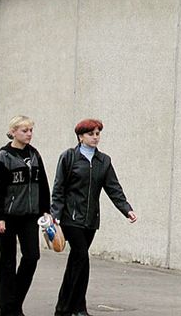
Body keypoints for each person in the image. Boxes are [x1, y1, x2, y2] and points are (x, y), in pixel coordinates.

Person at [51, 118, 137, 316]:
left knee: (76, 262)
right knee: (81, 258)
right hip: (71, 218)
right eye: (91, 134)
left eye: (98, 134)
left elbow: (113, 188)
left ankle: (67, 307)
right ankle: (74, 308)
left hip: (90, 220)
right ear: (80, 137)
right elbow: (59, 188)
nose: (95, 137)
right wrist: (55, 215)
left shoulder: (103, 161)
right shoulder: (69, 157)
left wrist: (126, 209)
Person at [0, 115, 51, 316]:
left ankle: (15, 303)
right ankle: (8, 310)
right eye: (25, 131)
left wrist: (46, 211)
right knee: (8, 262)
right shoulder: (4, 156)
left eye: (31, 130)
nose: (29, 134)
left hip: (29, 216)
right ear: (13, 132)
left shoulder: (34, 154)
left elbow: (43, 185)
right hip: (7, 216)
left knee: (32, 256)